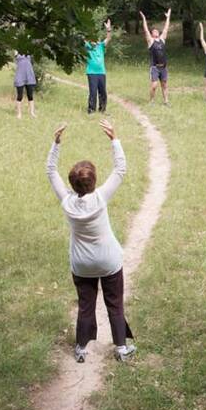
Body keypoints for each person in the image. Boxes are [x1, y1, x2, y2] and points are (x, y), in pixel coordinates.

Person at [47, 119, 135, 362]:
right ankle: (121, 348)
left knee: (86, 305)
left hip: (82, 264)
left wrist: (56, 143)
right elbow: (120, 169)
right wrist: (114, 139)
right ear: (93, 182)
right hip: (108, 261)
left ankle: (81, 349)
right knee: (115, 304)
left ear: (73, 184)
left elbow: (50, 172)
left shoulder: (67, 202)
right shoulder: (100, 198)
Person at [139, 9, 171, 105]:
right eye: (154, 31)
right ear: (152, 34)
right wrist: (144, 19)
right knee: (154, 86)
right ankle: (151, 101)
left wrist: (168, 17)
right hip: (155, 67)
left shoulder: (162, 40)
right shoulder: (151, 41)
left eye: (157, 31)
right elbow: (145, 30)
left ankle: (166, 101)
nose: (156, 32)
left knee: (164, 85)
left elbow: (166, 28)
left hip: (163, 67)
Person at [85, 19, 111, 114]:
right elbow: (83, 40)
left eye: (96, 39)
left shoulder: (101, 46)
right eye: (93, 39)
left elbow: (108, 39)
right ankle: (91, 110)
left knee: (103, 92)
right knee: (93, 92)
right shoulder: (88, 47)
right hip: (91, 72)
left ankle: (102, 110)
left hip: (101, 72)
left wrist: (108, 30)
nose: (95, 41)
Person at [14, 50, 37, 119]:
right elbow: (15, 55)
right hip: (20, 75)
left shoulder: (28, 50)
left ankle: (32, 113)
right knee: (20, 96)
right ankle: (19, 114)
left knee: (30, 96)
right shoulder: (17, 50)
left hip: (29, 75)